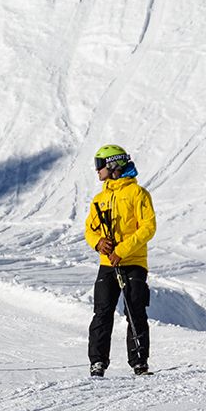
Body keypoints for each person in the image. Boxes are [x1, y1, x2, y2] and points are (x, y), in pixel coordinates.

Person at [83, 144, 156, 377]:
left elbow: (148, 228)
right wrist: (98, 243)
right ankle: (98, 363)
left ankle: (139, 363)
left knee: (135, 311)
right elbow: (89, 229)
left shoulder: (138, 194)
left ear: (113, 164)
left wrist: (122, 250)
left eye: (99, 165)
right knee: (102, 312)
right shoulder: (99, 199)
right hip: (107, 264)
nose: (97, 170)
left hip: (133, 262)